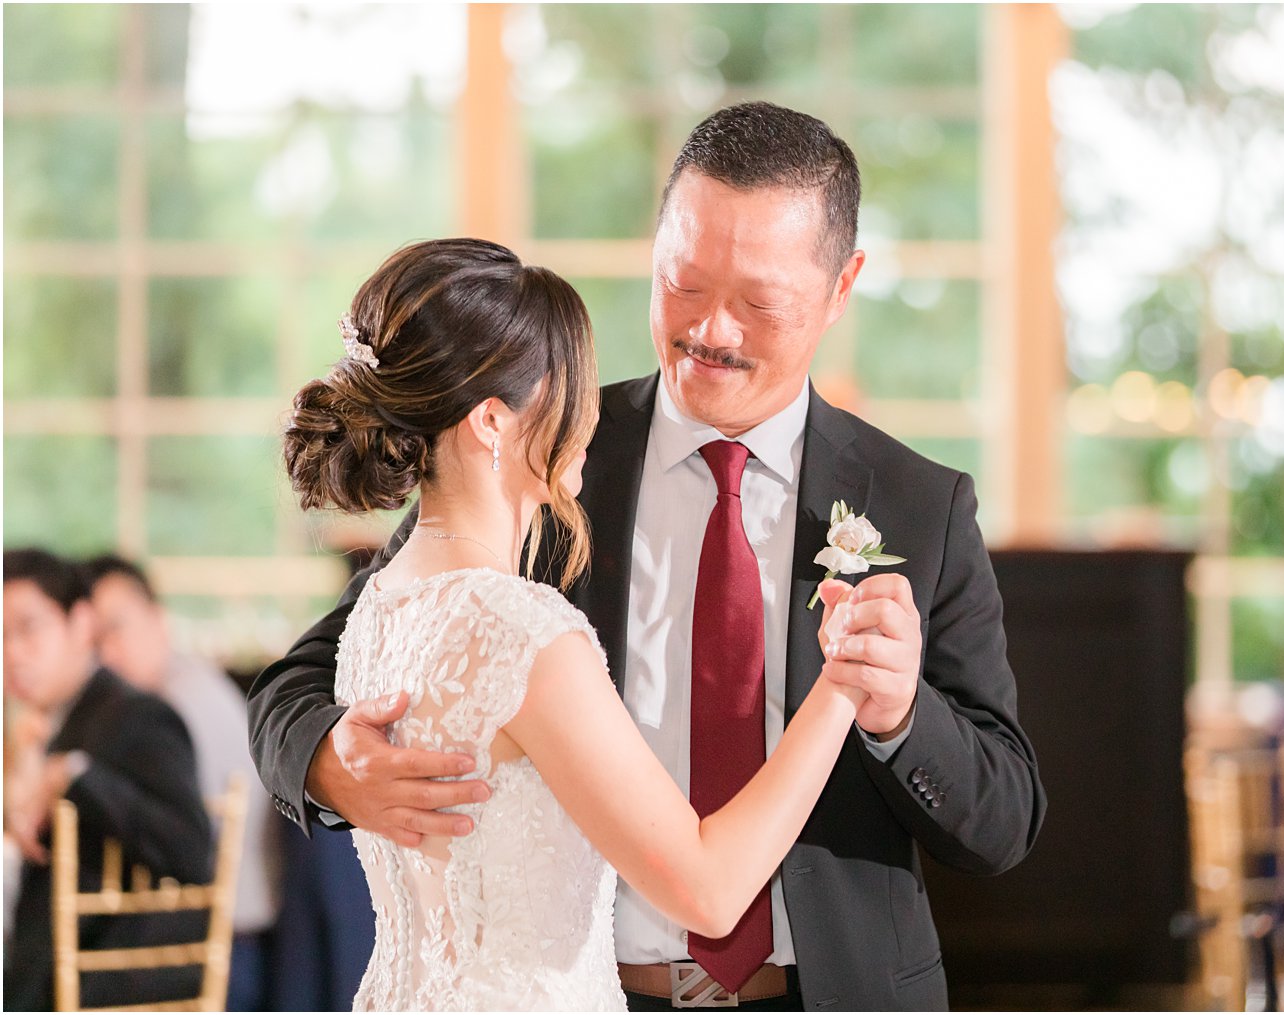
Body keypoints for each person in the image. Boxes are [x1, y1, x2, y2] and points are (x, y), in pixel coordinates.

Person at [249, 102, 1045, 1010]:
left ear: (840, 285)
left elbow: (1005, 818)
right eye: (684, 283)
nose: (713, 330)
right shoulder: (541, 461)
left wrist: (898, 710)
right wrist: (326, 762)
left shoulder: (920, 504)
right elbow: (310, 673)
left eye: (758, 303)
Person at [272, 236, 875, 1010]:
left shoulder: (382, 607)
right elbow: (710, 887)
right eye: (569, 382)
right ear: (492, 420)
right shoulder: (526, 634)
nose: (591, 409)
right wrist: (842, 684)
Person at [3, 549, 213, 1010]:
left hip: (105, 980)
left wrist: (72, 775)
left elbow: (193, 852)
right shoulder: (53, 723)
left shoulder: (139, 716)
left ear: (81, 625)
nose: (11, 653)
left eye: (27, 628)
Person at [84, 554, 283, 1011]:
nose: (106, 653)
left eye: (117, 628)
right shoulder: (177, 689)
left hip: (219, 945)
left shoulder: (180, 707)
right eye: (93, 639)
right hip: (218, 936)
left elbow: (179, 843)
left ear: (159, 621)